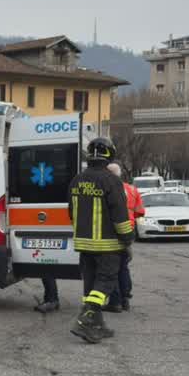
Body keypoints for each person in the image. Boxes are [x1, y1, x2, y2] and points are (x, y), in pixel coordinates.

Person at [67, 138, 134, 343]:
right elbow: (120, 215)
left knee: (91, 285)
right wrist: (127, 239)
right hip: (108, 245)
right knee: (105, 282)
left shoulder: (76, 180)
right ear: (110, 155)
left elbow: (71, 212)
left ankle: (97, 325)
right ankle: (85, 320)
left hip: (84, 244)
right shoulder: (111, 181)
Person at [105, 161, 143, 312]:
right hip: (129, 229)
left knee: (112, 267)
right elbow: (140, 211)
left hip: (113, 230)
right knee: (123, 265)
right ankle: (125, 298)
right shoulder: (132, 189)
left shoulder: (107, 188)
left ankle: (115, 301)